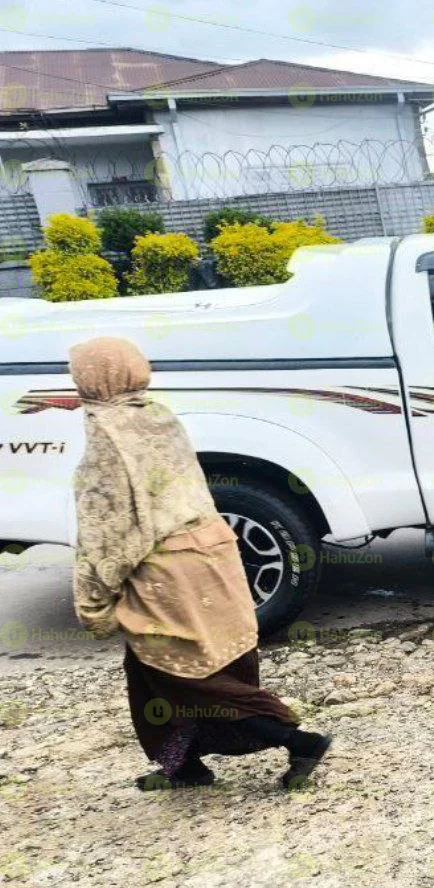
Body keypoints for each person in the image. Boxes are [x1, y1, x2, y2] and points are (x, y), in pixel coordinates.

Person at [69, 337, 331, 791]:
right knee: (149, 673)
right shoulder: (155, 414)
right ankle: (183, 765)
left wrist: (93, 598)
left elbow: (106, 525)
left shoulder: (107, 432)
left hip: (167, 569)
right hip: (212, 552)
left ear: (94, 376)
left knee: (183, 677)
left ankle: (298, 741)